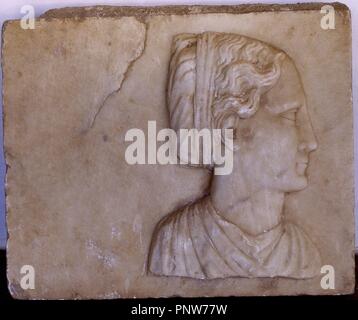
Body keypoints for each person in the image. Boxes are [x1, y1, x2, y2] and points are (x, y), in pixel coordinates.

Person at [148, 32, 321, 279]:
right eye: (290, 116)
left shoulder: (302, 253)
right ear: (229, 127)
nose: (311, 142)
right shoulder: (174, 247)